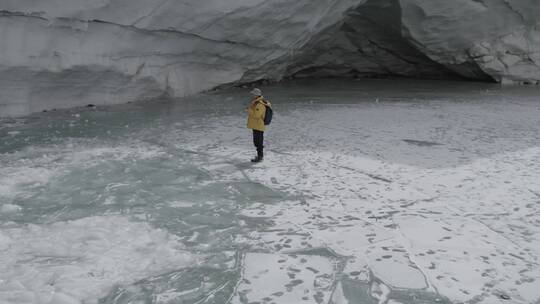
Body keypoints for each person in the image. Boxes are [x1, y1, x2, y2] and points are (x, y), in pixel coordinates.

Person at [247, 88, 271, 163]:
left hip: (259, 125)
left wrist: (249, 109)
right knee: (256, 142)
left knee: (258, 142)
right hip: (256, 125)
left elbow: (256, 115)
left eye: (253, 94)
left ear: (256, 95)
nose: (252, 95)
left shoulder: (260, 104)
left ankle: (260, 156)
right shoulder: (256, 102)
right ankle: (260, 154)